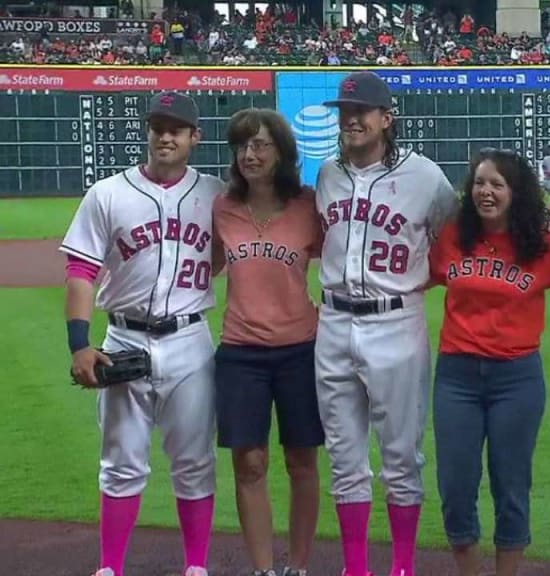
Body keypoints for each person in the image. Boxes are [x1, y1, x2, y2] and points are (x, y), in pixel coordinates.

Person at [62, 91, 222, 576]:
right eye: (157, 126)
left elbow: (231, 254)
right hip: (124, 340)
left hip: (190, 342)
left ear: (195, 136)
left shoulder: (216, 194)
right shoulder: (108, 193)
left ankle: (196, 566)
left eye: (176, 127)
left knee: (195, 462)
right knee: (120, 462)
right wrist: (79, 343)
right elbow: (80, 270)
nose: (165, 135)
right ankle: (110, 567)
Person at [314, 71, 458, 576]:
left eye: (361, 112)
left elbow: (454, 242)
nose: (350, 119)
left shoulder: (425, 177)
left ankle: (401, 567)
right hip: (333, 323)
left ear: (386, 119)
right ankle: (356, 568)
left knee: (401, 457)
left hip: (396, 322)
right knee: (345, 458)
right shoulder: (328, 174)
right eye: (344, 111)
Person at [428, 148, 550, 576]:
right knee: (456, 487)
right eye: (479, 182)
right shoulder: (454, 236)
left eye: (497, 184)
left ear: (516, 192)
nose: (485, 191)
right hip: (456, 374)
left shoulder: (544, 245)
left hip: (516, 377)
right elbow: (413, 278)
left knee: (511, 486)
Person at [211, 108, 324, 576]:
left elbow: (345, 261)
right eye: (241, 146)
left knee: (301, 460)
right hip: (241, 351)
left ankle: (297, 567)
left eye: (259, 145)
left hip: (300, 347)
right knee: (250, 463)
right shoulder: (221, 207)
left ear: (282, 151)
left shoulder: (308, 205)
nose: (249, 155)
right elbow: (202, 265)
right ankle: (262, 569)